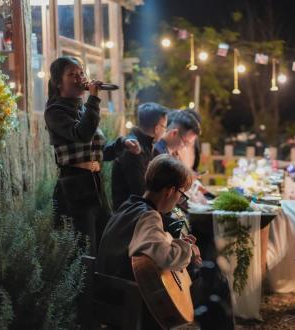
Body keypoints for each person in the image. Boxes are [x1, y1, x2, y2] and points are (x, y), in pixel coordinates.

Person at [97, 155, 234, 329]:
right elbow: (166, 257)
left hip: (110, 294)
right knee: (217, 283)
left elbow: (147, 244)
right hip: (131, 301)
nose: (179, 201)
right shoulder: (149, 216)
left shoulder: (129, 206)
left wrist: (177, 242)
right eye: (181, 195)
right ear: (169, 191)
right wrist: (190, 250)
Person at [44, 56, 140, 255]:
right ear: (58, 82)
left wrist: (122, 144)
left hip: (94, 184)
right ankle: (85, 287)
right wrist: (94, 99)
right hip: (74, 189)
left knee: (105, 244)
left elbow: (96, 153)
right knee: (85, 252)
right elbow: (82, 134)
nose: (80, 77)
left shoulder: (83, 109)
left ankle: (101, 286)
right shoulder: (55, 111)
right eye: (72, 74)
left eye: (81, 73)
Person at [111, 102, 168, 210]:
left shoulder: (146, 145)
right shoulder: (133, 148)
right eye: (165, 127)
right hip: (130, 215)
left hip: (139, 210)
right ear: (157, 128)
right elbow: (141, 192)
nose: (165, 131)